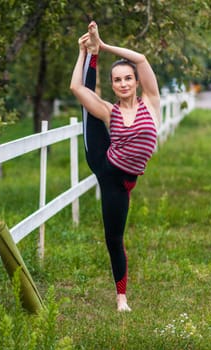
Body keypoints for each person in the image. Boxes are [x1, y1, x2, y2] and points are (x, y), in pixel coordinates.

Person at [70, 21, 161, 311]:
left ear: (136, 82)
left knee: (116, 235)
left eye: (127, 79)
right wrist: (84, 53)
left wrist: (104, 44)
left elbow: (142, 59)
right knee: (113, 238)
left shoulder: (151, 102)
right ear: (112, 85)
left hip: (126, 181)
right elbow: (75, 88)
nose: (123, 84)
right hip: (105, 166)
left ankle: (97, 50)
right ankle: (121, 298)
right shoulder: (111, 111)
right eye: (117, 80)